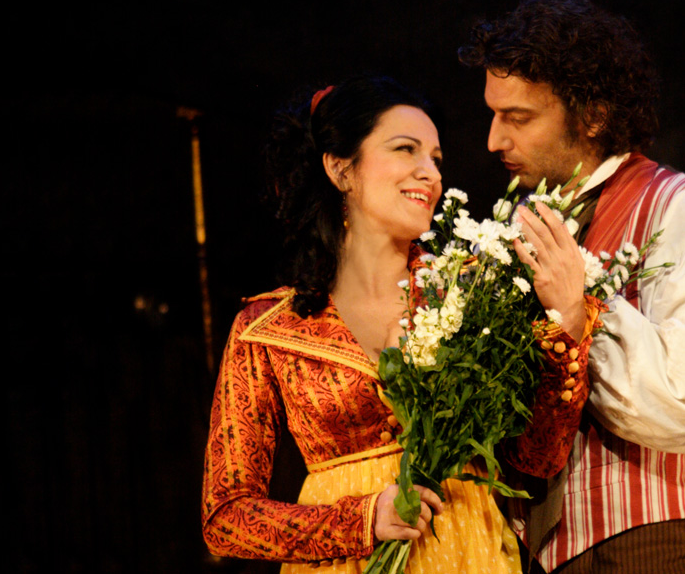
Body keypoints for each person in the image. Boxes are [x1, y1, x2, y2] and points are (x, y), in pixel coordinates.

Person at [201, 75, 599, 573]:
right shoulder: (266, 329)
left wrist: (566, 331)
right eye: (405, 149)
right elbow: (226, 517)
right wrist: (362, 520)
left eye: (435, 158)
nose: (429, 173)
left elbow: (536, 459)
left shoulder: (472, 293)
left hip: (465, 553)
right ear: (341, 169)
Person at [459, 0, 685, 574]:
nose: (493, 140)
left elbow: (679, 401)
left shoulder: (671, 206)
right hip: (538, 551)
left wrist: (581, 306)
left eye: (519, 117)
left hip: (647, 536)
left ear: (593, 115)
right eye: (493, 113)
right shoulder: (523, 224)